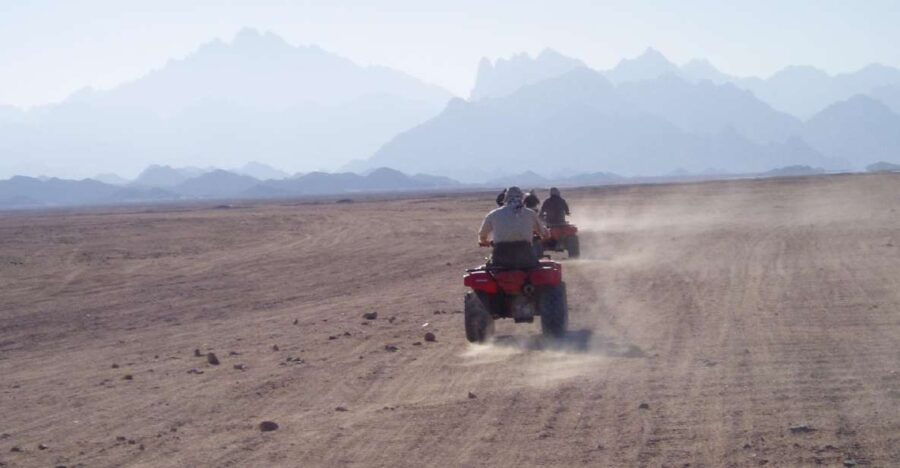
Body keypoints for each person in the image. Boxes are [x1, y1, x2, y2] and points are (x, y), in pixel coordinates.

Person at [479, 186, 549, 269]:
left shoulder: (493, 214)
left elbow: (482, 235)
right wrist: (544, 236)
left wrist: (485, 241)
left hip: (500, 259)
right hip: (526, 258)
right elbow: (545, 233)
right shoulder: (530, 213)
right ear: (522, 198)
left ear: (505, 198)